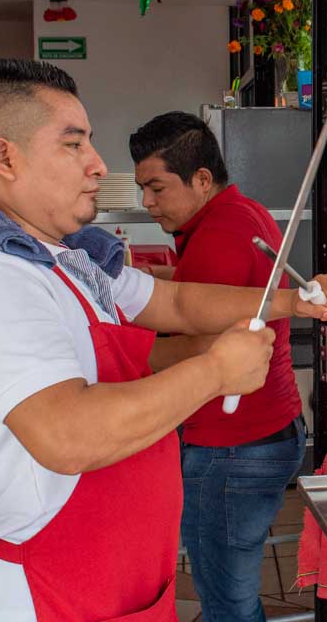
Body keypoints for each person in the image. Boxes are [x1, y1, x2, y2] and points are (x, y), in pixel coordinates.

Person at [0, 59, 327, 622]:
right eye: (74, 145)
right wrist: (215, 372)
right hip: (52, 584)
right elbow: (66, 434)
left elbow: (178, 303)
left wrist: (291, 301)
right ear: (5, 157)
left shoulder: (68, 255)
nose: (97, 165)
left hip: (120, 574)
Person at [129, 112, 308, 622]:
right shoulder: (242, 214)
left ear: (202, 180)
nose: (147, 202)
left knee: (228, 601)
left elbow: (199, 335)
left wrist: (120, 349)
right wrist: (158, 277)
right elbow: (208, 292)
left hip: (232, 446)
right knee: (228, 588)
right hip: (270, 427)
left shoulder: (219, 236)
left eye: (157, 188)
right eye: (143, 188)